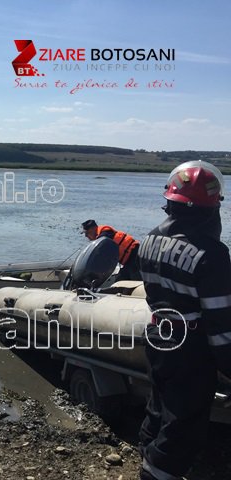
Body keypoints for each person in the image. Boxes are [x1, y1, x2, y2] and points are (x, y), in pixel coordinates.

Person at [137, 160, 231, 480]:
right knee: (185, 423)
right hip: (190, 344)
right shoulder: (213, 253)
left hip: (157, 333)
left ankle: (147, 456)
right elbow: (220, 324)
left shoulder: (148, 239)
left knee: (159, 406)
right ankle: (157, 473)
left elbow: (153, 291)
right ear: (213, 206)